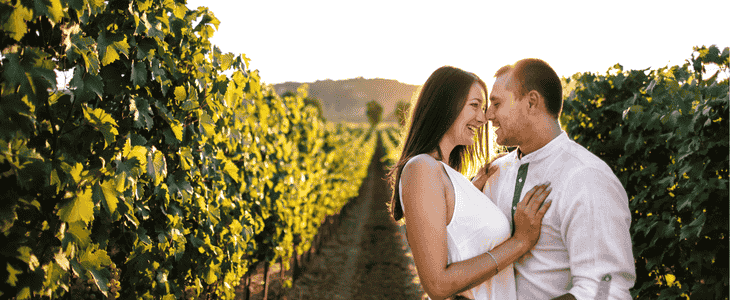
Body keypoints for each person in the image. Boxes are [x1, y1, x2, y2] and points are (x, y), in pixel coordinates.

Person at [475, 58, 636, 300]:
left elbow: (606, 288)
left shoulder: (587, 178)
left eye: (496, 104)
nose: (488, 115)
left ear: (531, 102)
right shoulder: (494, 172)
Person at [387, 65, 553, 300]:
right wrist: (520, 242)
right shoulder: (421, 168)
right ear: (445, 106)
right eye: (474, 105)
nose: (483, 117)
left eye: (484, 108)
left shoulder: (443, 173)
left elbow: (454, 229)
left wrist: (469, 192)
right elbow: (437, 285)